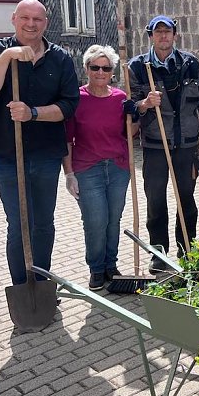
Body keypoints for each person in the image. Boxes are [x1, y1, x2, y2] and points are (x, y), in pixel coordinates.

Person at [0, 0, 79, 286]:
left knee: (43, 225)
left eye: (38, 19)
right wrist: (7, 57)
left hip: (45, 155)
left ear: (46, 23)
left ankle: (41, 285)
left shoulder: (60, 58)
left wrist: (32, 113)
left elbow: (69, 105)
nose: (31, 24)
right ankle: (21, 287)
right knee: (20, 225)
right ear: (14, 19)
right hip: (7, 155)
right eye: (25, 18)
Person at [128, 15, 199, 273]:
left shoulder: (189, 63)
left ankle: (187, 246)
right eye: (158, 32)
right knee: (155, 199)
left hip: (186, 143)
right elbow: (129, 106)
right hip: (155, 144)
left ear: (175, 35)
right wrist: (144, 104)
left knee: (186, 197)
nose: (163, 36)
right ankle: (158, 251)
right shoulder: (138, 67)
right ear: (151, 36)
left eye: (168, 31)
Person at [62, 45, 131, 291]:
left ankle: (111, 265)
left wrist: (137, 114)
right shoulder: (76, 99)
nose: (101, 72)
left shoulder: (120, 98)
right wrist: (69, 173)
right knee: (95, 221)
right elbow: (67, 139)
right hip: (87, 168)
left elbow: (129, 134)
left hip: (118, 167)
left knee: (114, 220)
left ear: (112, 71)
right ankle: (96, 268)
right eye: (95, 67)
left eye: (106, 68)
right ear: (86, 69)